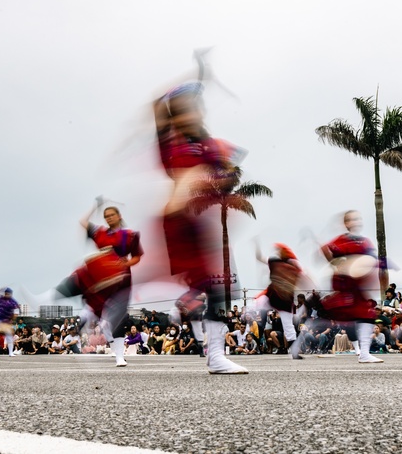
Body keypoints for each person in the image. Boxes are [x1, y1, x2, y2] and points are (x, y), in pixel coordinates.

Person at [154, 80, 247, 374]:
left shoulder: (209, 145)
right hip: (180, 223)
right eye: (186, 109)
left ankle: (215, 355)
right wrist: (177, 92)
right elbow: (157, 109)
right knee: (213, 286)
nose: (196, 113)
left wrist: (226, 173)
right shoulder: (173, 143)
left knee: (221, 289)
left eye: (197, 107)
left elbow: (227, 174)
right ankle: (185, 306)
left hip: (201, 225)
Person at [60, 201, 144, 367]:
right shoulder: (100, 233)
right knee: (102, 315)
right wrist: (94, 207)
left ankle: (119, 356)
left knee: (119, 318)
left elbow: (137, 256)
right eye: (106, 216)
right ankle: (90, 315)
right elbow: (83, 222)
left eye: (112, 215)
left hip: (121, 279)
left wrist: (124, 264)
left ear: (119, 216)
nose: (109, 218)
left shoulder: (130, 236)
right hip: (100, 278)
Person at [320, 211, 383, 363]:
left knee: (367, 316)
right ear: (346, 224)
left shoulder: (365, 242)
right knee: (343, 318)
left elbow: (371, 260)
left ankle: (364, 354)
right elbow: (325, 249)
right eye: (352, 219)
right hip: (346, 285)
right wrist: (336, 263)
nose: (356, 222)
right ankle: (306, 327)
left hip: (359, 286)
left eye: (358, 219)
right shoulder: (341, 240)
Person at [254, 243, 307, 359]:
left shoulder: (290, 265)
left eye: (280, 251)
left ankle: (294, 352)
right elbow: (259, 258)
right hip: (275, 296)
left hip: (283, 300)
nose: (278, 252)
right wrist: (256, 247)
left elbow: (303, 278)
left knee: (288, 326)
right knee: (257, 304)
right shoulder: (276, 262)